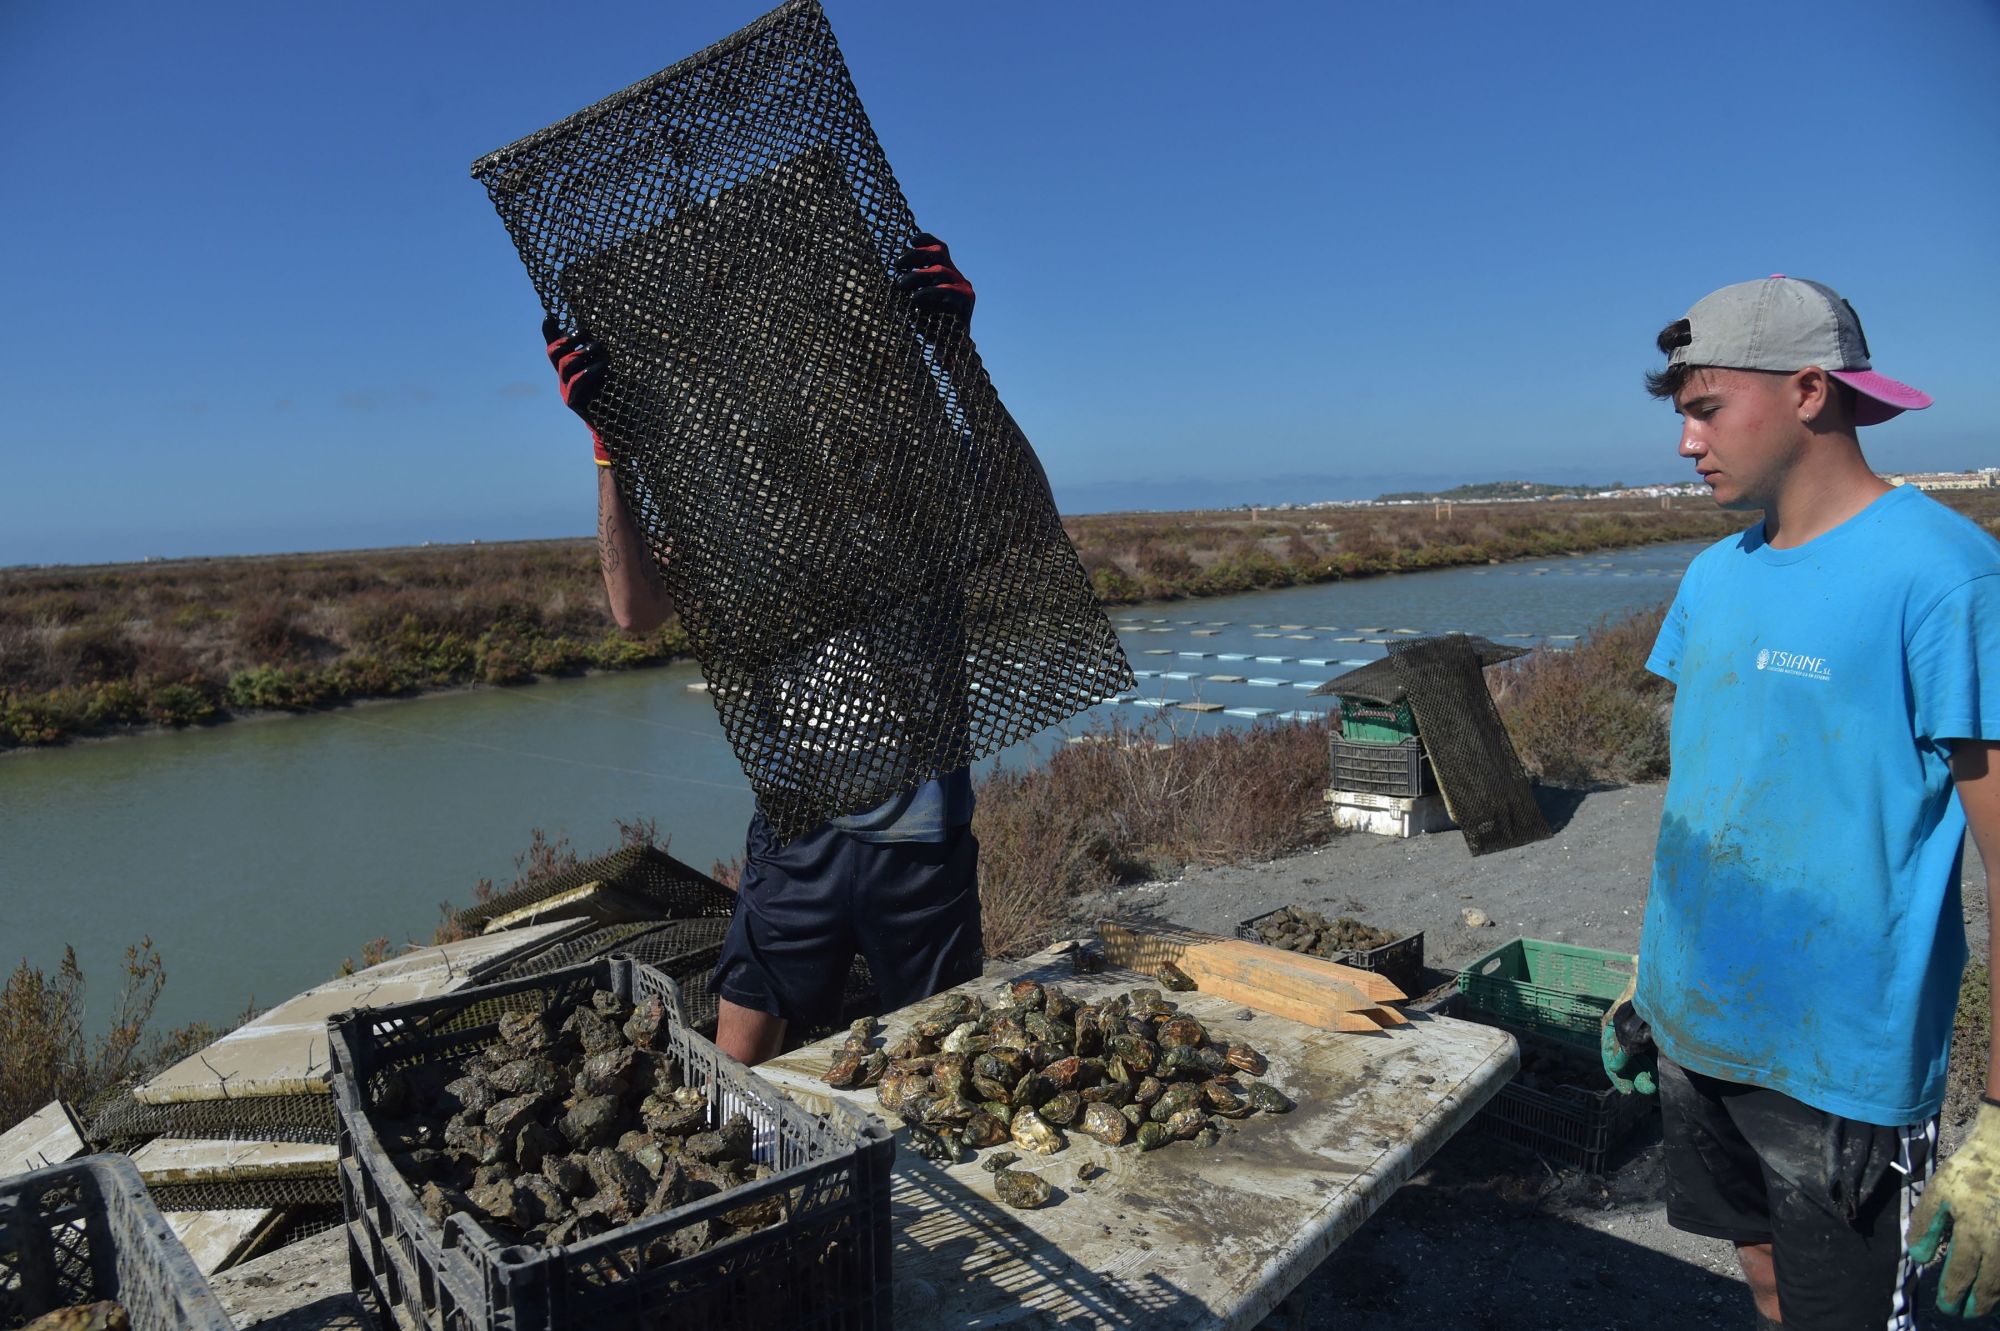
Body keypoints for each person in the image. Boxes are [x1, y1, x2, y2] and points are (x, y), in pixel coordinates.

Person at [1600, 275, 2000, 1330]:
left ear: (1808, 391)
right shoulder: (1711, 577)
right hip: (1695, 1030)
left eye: (1703, 407)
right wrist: (1649, 983)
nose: (1685, 443)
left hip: (1842, 1070)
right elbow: (1714, 795)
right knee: (1765, 1279)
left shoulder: (1945, 578)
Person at [543, 232, 985, 1067]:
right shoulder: (740, 514)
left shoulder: (915, 481)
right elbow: (634, 609)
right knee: (735, 1069)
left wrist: (957, 356)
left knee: (945, 1064)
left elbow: (1008, 504)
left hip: (923, 835)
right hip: (797, 827)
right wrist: (609, 449)